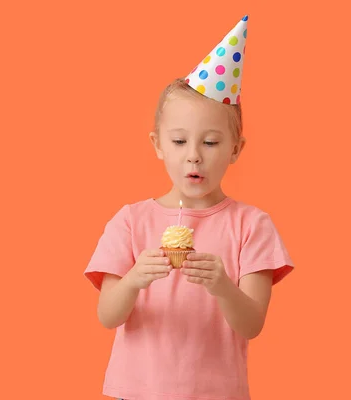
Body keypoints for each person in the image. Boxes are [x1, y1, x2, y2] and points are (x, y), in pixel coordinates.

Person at [84, 15, 295, 400]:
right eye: (179, 141)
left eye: (211, 143)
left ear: (235, 149)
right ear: (157, 144)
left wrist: (222, 287)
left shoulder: (251, 225)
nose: (193, 157)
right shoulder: (129, 222)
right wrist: (134, 279)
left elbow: (252, 325)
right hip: (137, 392)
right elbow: (107, 316)